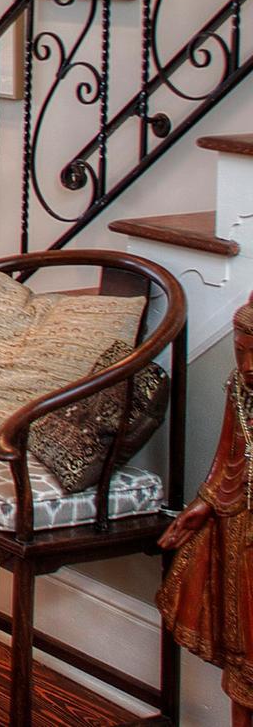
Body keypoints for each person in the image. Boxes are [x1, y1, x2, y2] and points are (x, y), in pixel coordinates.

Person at [160, 298, 253, 726]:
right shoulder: (240, 387)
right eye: (240, 351)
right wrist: (205, 502)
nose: (248, 364)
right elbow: (229, 454)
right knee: (243, 654)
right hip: (240, 528)